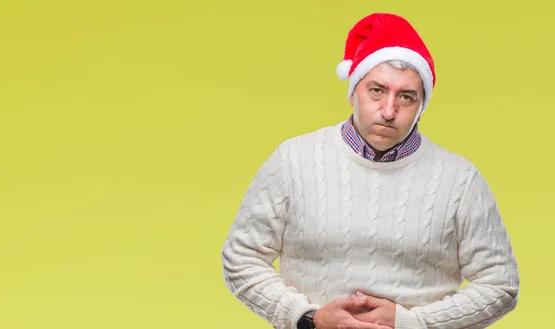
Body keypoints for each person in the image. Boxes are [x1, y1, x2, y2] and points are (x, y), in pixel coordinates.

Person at [221, 12, 520, 329]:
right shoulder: (293, 160)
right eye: (377, 90)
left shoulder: (460, 181)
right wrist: (308, 318)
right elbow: (241, 258)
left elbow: (501, 285)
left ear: (421, 106)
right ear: (352, 92)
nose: (389, 110)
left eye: (406, 97)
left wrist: (412, 323)